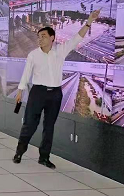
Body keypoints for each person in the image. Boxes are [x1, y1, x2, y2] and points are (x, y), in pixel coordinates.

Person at [13, 9, 101, 169]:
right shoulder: (33, 55)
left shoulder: (60, 51)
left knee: (49, 126)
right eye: (39, 37)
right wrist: (20, 90)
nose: (40, 39)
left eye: (43, 36)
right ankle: (19, 152)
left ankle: (44, 157)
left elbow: (77, 37)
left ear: (52, 38)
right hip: (38, 93)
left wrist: (89, 21)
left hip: (55, 94)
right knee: (30, 124)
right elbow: (26, 74)